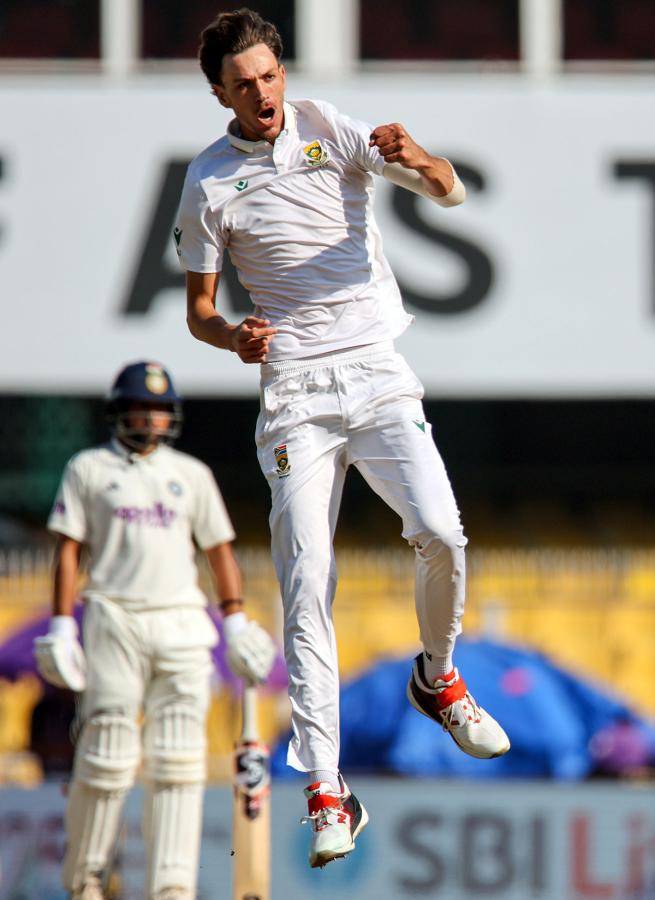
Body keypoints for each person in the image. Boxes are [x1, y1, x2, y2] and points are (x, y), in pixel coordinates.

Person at [176, 8, 510, 869]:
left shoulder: (329, 127)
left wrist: (419, 158)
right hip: (294, 394)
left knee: (440, 532)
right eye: (242, 83)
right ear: (217, 91)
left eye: (269, 75)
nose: (262, 93)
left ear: (281, 71)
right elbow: (200, 312)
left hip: (374, 368)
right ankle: (326, 788)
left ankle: (437, 677)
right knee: (305, 580)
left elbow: (449, 192)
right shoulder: (210, 181)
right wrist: (233, 336)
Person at [33, 361, 276, 900]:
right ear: (119, 411)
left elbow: (218, 550)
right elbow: (69, 550)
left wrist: (234, 621)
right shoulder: (89, 468)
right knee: (107, 752)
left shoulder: (191, 475)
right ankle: (87, 879)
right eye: (142, 407)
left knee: (179, 762)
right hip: (114, 616)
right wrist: (61, 623)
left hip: (182, 621)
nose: (151, 418)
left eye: (161, 411)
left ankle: (171, 888)